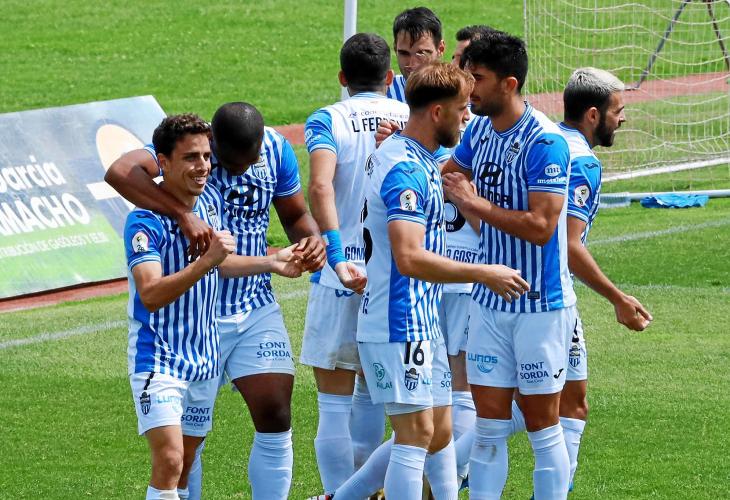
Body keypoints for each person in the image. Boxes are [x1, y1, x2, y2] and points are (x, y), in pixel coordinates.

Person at [329, 62, 528, 500]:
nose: (466, 117)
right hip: (397, 320)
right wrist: (483, 272)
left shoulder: (412, 155)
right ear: (437, 112)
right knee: (416, 434)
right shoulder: (405, 169)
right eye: (461, 108)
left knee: (438, 432)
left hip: (420, 319)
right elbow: (409, 257)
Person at [107, 103, 325, 499]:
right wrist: (185, 220)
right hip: (166, 347)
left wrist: (281, 257)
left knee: (259, 421)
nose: (207, 166)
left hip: (225, 329)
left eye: (208, 158)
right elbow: (119, 172)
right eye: (200, 158)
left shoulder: (222, 191)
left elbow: (252, 243)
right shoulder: (152, 209)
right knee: (172, 459)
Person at [441, 32, 576, 499]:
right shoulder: (479, 131)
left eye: (477, 78)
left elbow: (541, 226)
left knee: (542, 426)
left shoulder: (546, 142)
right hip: (488, 303)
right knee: (488, 426)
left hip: (540, 306)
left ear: (509, 83)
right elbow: (451, 175)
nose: (469, 89)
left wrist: (474, 205)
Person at [510, 67, 654, 494]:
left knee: (563, 404)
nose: (622, 119)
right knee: (540, 409)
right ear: (593, 115)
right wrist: (617, 298)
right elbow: (569, 246)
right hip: (550, 299)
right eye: (617, 110)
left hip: (514, 288)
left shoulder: (545, 139)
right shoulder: (583, 162)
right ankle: (442, 466)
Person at [301, 32, 410, 496]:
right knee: (374, 393)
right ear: (390, 76)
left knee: (332, 405)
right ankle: (364, 493)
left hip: (339, 276)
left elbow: (320, 186)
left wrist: (336, 254)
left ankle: (337, 493)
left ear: (342, 77)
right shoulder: (410, 117)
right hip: (392, 276)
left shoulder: (328, 119)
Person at [387, 6, 445, 103]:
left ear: (440, 49)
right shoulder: (383, 94)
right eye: (404, 53)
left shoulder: (459, 94)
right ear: (395, 48)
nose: (412, 64)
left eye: (421, 53)